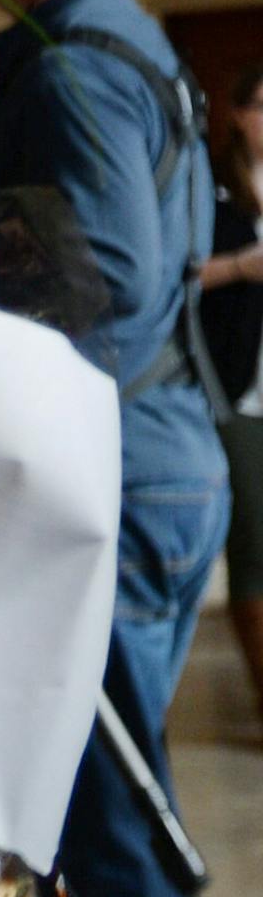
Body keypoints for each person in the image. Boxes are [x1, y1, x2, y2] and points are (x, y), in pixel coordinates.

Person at [0, 0, 228, 897]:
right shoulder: (140, 47)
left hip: (123, 471)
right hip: (169, 455)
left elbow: (107, 281)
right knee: (124, 803)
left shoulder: (74, 72)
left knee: (114, 832)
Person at [200, 62, 263, 721]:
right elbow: (179, 276)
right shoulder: (214, 189)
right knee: (254, 541)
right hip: (241, 390)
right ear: (240, 114)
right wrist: (244, 266)